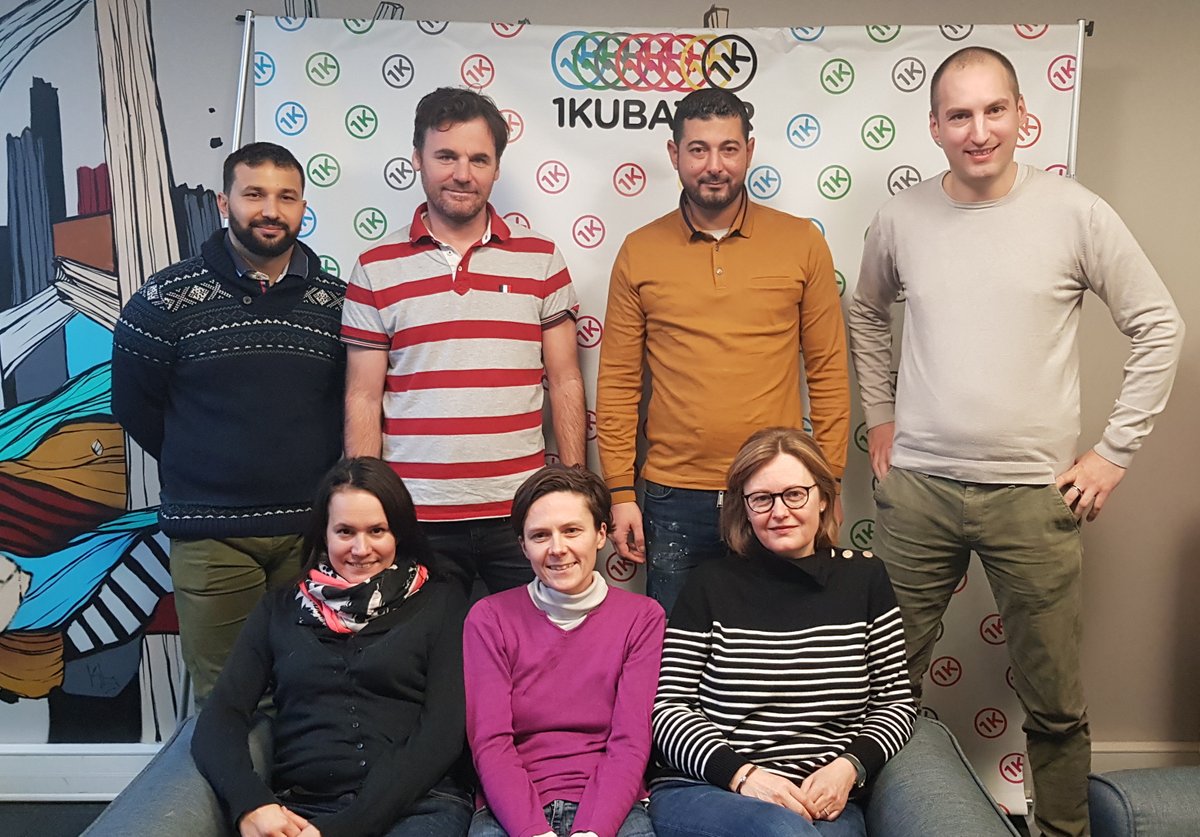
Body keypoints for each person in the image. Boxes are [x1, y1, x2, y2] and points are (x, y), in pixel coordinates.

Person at [847, 47, 1184, 837]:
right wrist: (881, 414)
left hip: (1035, 496)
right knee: (881, 687)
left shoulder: (1076, 213)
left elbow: (1159, 325)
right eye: (959, 115)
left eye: (994, 110)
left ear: (1022, 114)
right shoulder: (900, 218)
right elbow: (865, 311)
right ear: (935, 125)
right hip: (918, 492)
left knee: (1055, 701)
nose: (979, 130)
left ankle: (1063, 830)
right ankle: (880, 820)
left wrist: (1113, 453)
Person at [596, 88, 850, 613]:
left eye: (729, 148)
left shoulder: (801, 242)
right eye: (698, 149)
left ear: (749, 150)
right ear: (674, 153)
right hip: (672, 496)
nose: (715, 166)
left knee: (777, 643)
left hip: (779, 490)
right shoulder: (639, 250)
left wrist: (828, 484)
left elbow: (827, 371)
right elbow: (618, 381)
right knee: (680, 650)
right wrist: (619, 492)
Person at [111, 141, 345, 704]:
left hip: (312, 534)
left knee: (311, 692)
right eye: (254, 194)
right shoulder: (164, 299)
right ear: (224, 202)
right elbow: (134, 405)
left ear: (303, 205)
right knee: (227, 702)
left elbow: (349, 404)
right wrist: (206, 459)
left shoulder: (338, 303)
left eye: (286, 197)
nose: (271, 210)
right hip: (210, 535)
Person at [342, 86, 586, 598]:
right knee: (424, 647)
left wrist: (575, 489)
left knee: (535, 643)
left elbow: (565, 380)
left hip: (524, 513)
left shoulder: (542, 259)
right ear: (417, 158)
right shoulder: (375, 268)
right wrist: (368, 505)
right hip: (414, 515)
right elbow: (363, 395)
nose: (462, 173)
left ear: (496, 168)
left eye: (479, 159)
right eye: (446, 156)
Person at [648, 427, 914, 837]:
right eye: (762, 499)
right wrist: (743, 775)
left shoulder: (865, 578)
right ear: (744, 509)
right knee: (781, 831)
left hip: (820, 800)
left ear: (823, 497)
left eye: (794, 494)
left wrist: (849, 767)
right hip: (711, 790)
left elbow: (894, 704)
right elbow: (669, 711)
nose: (779, 512)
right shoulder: (709, 584)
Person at [191, 457, 471, 837]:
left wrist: (343, 829)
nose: (361, 548)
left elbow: (442, 733)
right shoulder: (279, 609)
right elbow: (221, 715)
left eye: (377, 531)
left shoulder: (441, 601)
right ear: (324, 534)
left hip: (418, 806)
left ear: (399, 533)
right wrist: (252, 803)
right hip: (303, 808)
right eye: (345, 531)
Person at [463, 465, 664, 837]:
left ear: (600, 534)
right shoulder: (489, 618)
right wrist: (532, 830)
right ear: (523, 546)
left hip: (612, 805)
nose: (557, 549)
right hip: (511, 807)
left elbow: (630, 741)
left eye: (572, 530)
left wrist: (594, 829)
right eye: (540, 535)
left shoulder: (642, 617)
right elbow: (490, 742)